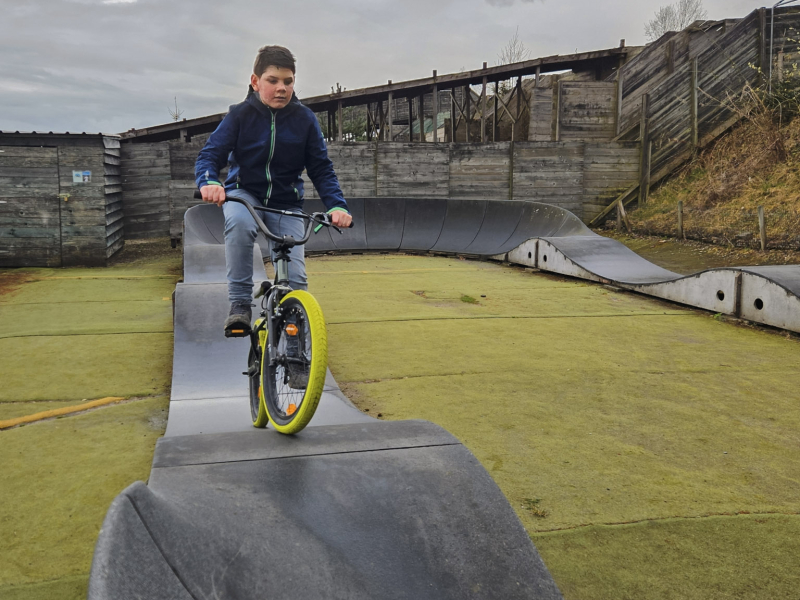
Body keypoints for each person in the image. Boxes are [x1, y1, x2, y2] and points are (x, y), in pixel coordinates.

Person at [195, 45, 352, 336]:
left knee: (296, 279)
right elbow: (210, 155)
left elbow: (321, 167)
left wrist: (337, 206)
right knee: (239, 225)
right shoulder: (239, 115)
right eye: (273, 81)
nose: (281, 88)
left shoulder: (305, 120)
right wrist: (210, 182)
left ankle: (295, 352)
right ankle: (240, 303)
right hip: (244, 195)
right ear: (256, 82)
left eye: (288, 82)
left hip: (286, 203)